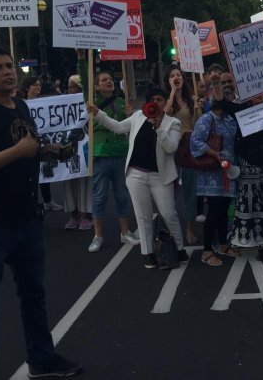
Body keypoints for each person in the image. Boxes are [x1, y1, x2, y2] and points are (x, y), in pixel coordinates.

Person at [0, 46, 81, 379]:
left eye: (10, 65)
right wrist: (18, 151)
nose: (8, 72)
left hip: (25, 220)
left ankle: (42, 359)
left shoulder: (21, 106)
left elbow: (27, 149)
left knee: (33, 295)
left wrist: (47, 150)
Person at [88, 88, 188, 268]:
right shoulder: (138, 117)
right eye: (153, 99)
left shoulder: (173, 123)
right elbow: (118, 127)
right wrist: (99, 114)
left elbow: (171, 147)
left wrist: (159, 128)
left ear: (166, 102)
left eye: (160, 99)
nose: (156, 102)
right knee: (143, 215)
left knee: (169, 213)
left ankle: (179, 248)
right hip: (136, 174)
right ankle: (148, 252)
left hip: (160, 176)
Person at [210, 76, 263, 267]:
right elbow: (222, 103)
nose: (258, 95)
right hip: (252, 166)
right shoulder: (242, 110)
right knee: (257, 208)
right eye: (254, 92)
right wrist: (216, 85)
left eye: (262, 92)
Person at [77, 50, 139, 252]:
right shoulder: (92, 100)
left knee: (121, 195)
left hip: (121, 153)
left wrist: (130, 115)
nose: (109, 81)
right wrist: (81, 59)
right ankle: (98, 236)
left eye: (110, 79)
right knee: (99, 196)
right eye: (104, 80)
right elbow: (85, 80)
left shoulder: (122, 102)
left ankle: (125, 232)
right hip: (101, 154)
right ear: (96, 87)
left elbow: (125, 127)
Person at [190, 79, 240, 267]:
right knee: (214, 211)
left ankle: (223, 244)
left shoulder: (229, 119)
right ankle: (207, 251)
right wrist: (215, 154)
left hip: (228, 172)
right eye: (227, 99)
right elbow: (195, 141)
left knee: (223, 210)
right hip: (212, 174)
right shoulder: (207, 118)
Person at [163, 64, 202, 245]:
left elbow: (196, 125)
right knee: (168, 192)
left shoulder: (192, 99)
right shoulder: (165, 100)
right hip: (170, 148)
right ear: (168, 80)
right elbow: (164, 115)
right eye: (172, 76)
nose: (176, 78)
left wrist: (197, 109)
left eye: (178, 75)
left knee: (190, 190)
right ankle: (171, 229)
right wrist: (172, 92)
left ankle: (189, 229)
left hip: (188, 147)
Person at [18, 76, 64, 212]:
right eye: (35, 85)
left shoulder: (44, 102)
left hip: (43, 141)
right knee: (30, 174)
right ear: (28, 87)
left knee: (44, 171)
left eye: (39, 84)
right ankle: (31, 204)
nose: (38, 87)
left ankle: (48, 200)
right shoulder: (21, 104)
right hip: (28, 142)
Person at [62, 75, 93, 230]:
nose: (69, 90)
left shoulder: (89, 103)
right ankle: (74, 214)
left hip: (83, 147)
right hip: (67, 147)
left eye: (72, 86)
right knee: (67, 179)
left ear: (80, 88)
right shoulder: (63, 103)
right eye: (68, 87)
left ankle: (88, 214)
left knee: (85, 181)